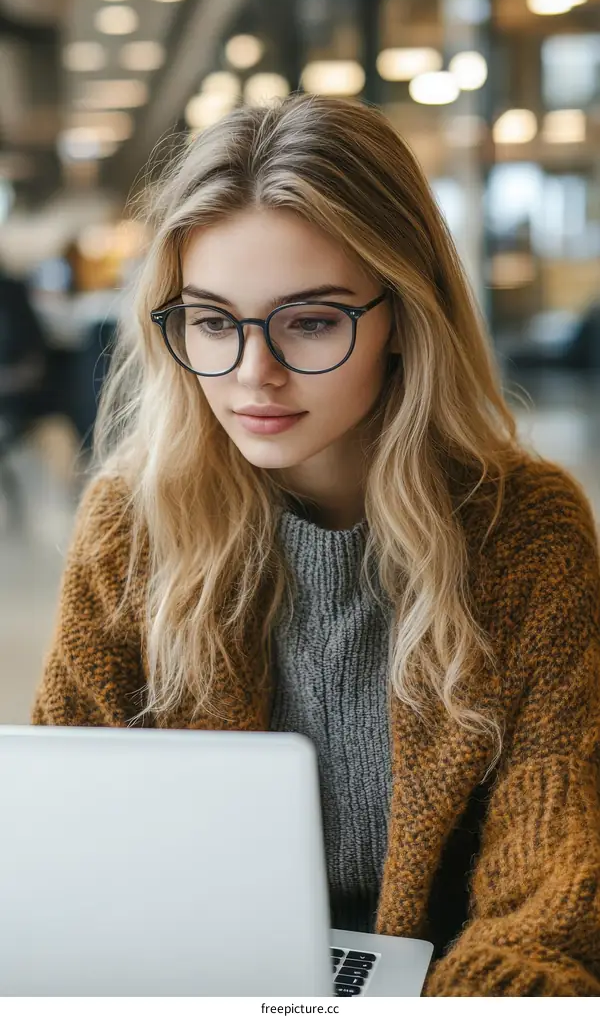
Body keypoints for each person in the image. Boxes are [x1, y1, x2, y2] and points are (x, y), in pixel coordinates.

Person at [32, 95, 600, 997]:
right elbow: (65, 844)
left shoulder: (525, 532)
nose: (255, 372)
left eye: (311, 320)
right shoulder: (132, 528)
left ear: (404, 318)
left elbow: (551, 892)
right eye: (213, 321)